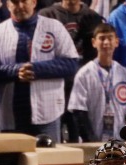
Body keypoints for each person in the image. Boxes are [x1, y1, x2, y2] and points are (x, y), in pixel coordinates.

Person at [0, 0, 79, 140]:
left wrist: (36, 69)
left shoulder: (54, 27)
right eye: (15, 2)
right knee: (12, 161)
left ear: (34, 2)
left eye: (24, 1)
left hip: (48, 113)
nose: (20, 6)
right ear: (8, 5)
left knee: (49, 161)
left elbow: (71, 64)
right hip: (10, 115)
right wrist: (15, 71)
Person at [38, 0, 103, 141]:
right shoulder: (46, 15)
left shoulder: (94, 17)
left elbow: (97, 60)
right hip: (51, 88)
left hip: (80, 90)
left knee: (79, 142)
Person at [68, 23, 126, 142]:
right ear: (94, 42)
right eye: (102, 38)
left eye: (110, 38)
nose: (106, 42)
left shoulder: (124, 74)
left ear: (116, 42)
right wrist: (91, 141)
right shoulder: (84, 74)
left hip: (120, 141)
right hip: (93, 141)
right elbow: (78, 112)